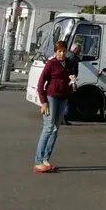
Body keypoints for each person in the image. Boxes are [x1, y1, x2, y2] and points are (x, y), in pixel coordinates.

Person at [34, 40, 72, 173]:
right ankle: (38, 161)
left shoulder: (68, 63)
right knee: (48, 128)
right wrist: (43, 101)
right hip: (51, 98)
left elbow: (69, 80)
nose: (61, 54)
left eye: (63, 51)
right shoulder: (51, 64)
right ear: (55, 52)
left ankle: (46, 159)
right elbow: (40, 84)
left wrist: (73, 83)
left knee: (55, 130)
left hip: (63, 98)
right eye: (59, 51)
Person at [63, 43, 81, 126]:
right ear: (75, 49)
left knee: (66, 100)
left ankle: (61, 118)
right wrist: (73, 82)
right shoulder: (73, 57)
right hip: (70, 80)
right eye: (79, 50)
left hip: (66, 80)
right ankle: (65, 118)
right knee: (69, 101)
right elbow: (73, 71)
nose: (80, 52)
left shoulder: (67, 54)